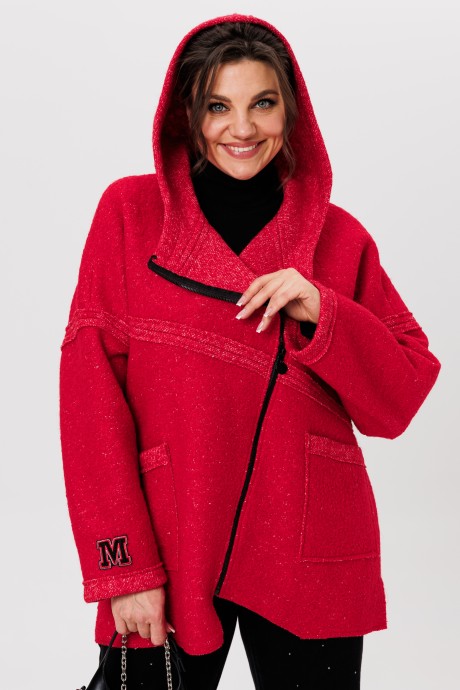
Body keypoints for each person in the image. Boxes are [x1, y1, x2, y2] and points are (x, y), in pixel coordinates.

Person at [59, 13, 441, 690]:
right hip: (174, 536)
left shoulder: (340, 240)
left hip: (306, 542)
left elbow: (401, 396)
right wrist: (123, 568)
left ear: (291, 111)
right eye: (218, 106)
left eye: (262, 103)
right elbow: (89, 399)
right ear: (187, 114)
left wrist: (321, 309)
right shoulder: (129, 215)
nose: (242, 128)